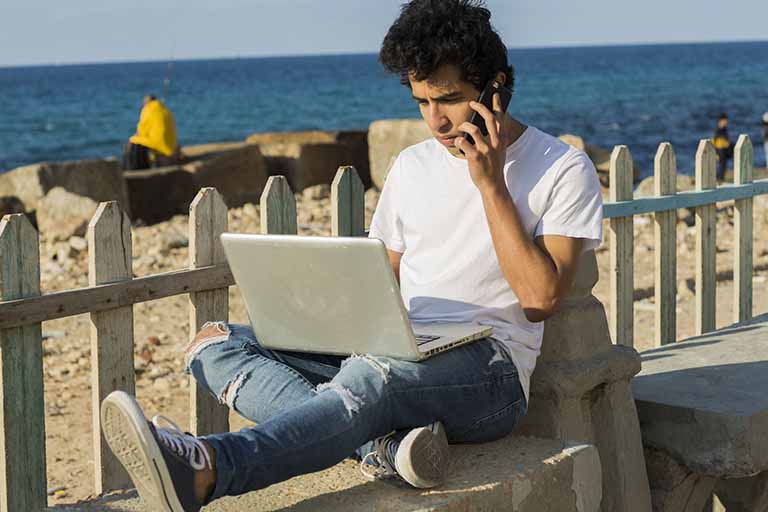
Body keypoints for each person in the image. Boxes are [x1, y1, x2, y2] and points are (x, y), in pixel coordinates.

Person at [99, 1, 603, 510]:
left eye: (448, 99)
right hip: (402, 346)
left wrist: (490, 183)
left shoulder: (561, 167)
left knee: (371, 377)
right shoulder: (411, 166)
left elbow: (539, 298)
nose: (436, 120)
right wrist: (320, 323)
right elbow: (379, 284)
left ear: (495, 87)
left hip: (491, 372)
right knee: (214, 345)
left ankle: (211, 468)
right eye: (422, 102)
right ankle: (385, 448)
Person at [122, 94, 181, 170]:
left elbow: (141, 132)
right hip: (171, 146)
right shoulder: (166, 110)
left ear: (147, 103)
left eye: (144, 103)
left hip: (160, 145)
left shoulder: (148, 109)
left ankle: (136, 168)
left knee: (133, 141)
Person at [713, 113, 732, 181]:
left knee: (723, 165)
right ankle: (719, 178)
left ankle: (721, 178)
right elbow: (714, 141)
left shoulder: (724, 129)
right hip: (719, 149)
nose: (726, 122)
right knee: (721, 165)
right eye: (725, 121)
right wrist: (715, 152)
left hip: (724, 149)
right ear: (721, 121)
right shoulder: (718, 130)